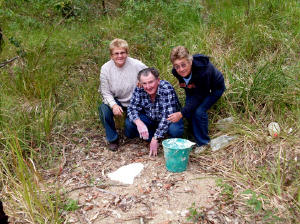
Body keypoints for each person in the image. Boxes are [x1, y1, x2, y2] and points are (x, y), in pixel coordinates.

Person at [167, 46, 225, 147]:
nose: (180, 69)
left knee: (199, 111)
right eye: (177, 66)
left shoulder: (204, 71)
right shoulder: (175, 72)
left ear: (190, 61)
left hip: (213, 89)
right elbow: (187, 85)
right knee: (189, 112)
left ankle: (203, 143)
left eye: (183, 65)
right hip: (193, 87)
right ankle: (192, 135)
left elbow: (200, 96)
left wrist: (181, 113)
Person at [98, 38, 147, 151]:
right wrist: (114, 105)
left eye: (122, 53)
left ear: (127, 53)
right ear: (111, 55)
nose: (120, 56)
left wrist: (143, 82)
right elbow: (105, 92)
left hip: (135, 101)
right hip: (118, 100)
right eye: (116, 53)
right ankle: (113, 139)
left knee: (130, 131)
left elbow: (150, 75)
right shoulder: (106, 69)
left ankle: (136, 131)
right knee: (104, 109)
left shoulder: (137, 65)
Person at [125, 67, 184, 157]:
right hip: (150, 119)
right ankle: (155, 135)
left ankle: (158, 138)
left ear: (158, 80)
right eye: (144, 83)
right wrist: (139, 122)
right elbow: (131, 108)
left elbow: (167, 117)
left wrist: (155, 138)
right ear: (140, 83)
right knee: (129, 124)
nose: (148, 86)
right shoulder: (139, 88)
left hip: (169, 119)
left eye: (151, 82)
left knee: (175, 130)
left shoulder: (166, 88)